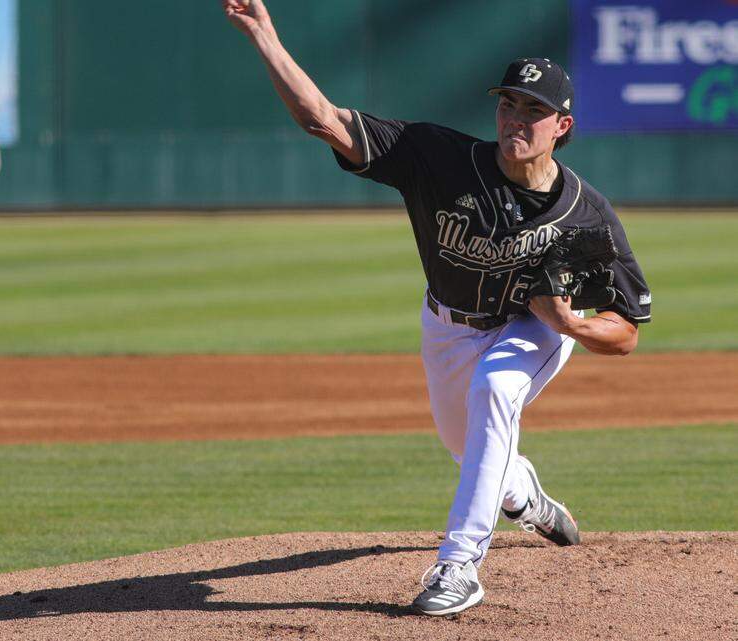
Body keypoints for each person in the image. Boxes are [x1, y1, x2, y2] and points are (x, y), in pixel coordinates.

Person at [223, 0, 651, 616]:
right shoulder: (438, 158)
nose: (517, 119)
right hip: (446, 328)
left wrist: (574, 325)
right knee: (469, 441)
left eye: (535, 110)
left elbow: (627, 330)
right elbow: (321, 119)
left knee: (496, 389)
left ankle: (459, 565)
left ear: (564, 126)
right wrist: (265, 35)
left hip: (532, 330)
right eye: (509, 103)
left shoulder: (586, 214)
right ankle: (524, 497)